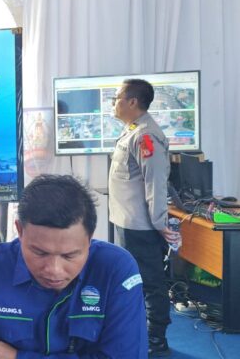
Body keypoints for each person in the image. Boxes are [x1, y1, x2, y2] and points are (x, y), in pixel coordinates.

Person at [0, 174, 147, 358]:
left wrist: (19, 357)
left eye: (69, 255)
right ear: (19, 231)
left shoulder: (116, 270)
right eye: (40, 253)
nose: (54, 270)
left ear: (90, 237)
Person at [109, 79, 178, 356]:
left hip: (141, 225)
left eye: (117, 98)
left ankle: (156, 338)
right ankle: (138, 331)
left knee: (150, 282)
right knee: (131, 280)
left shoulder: (146, 135)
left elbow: (155, 183)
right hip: (127, 221)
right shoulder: (133, 129)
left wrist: (160, 223)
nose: (114, 103)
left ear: (132, 101)